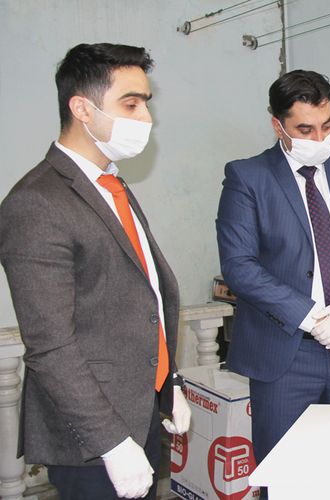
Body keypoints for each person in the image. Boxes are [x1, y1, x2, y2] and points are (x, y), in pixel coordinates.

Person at [0, 43, 190, 500]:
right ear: (82, 108)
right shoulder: (37, 202)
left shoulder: (110, 184)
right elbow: (50, 345)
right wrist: (112, 444)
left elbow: (140, 296)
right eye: (131, 103)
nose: (146, 117)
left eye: (146, 102)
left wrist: (170, 381)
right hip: (92, 438)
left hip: (141, 408)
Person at [216, 70, 330, 471]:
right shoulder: (247, 177)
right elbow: (239, 266)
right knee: (285, 473)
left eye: (327, 125)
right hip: (286, 353)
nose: (319, 138)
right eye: (305, 129)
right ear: (277, 125)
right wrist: (311, 317)